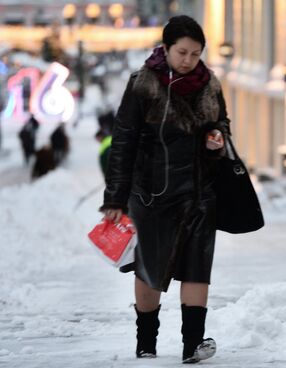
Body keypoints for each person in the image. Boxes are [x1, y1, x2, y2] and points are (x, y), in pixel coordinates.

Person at [100, 15, 230, 363]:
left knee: (197, 268)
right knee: (150, 268)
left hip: (200, 191)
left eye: (195, 53)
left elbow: (221, 122)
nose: (188, 60)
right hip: (151, 193)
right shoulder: (143, 84)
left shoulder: (210, 84)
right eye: (182, 52)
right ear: (166, 48)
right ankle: (146, 342)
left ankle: (193, 344)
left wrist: (217, 136)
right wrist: (115, 196)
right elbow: (123, 140)